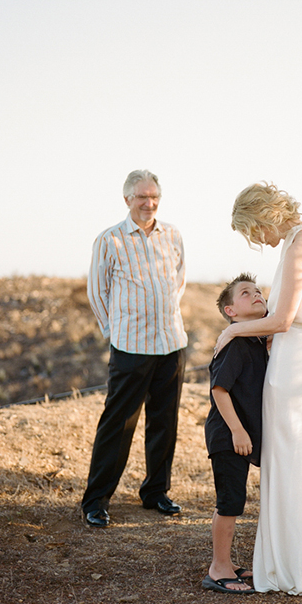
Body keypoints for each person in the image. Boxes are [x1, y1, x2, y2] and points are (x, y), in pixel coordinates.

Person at [214, 182, 302, 596]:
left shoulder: (300, 243)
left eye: (253, 230)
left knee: (293, 462)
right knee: (295, 460)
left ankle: (293, 565)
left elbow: (282, 319)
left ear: (265, 215)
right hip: (301, 357)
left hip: (297, 363)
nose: (258, 241)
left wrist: (235, 329)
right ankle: (293, 560)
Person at [81, 170, 187, 527]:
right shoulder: (109, 240)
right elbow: (97, 293)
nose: (149, 203)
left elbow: (179, 282)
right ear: (127, 199)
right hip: (131, 346)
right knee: (118, 424)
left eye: (154, 196)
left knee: (164, 421)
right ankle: (96, 500)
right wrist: (116, 331)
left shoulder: (172, 235)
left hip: (171, 343)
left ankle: (156, 492)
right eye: (141, 196)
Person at [202, 274, 269, 595]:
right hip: (227, 433)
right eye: (246, 293)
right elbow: (219, 389)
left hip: (238, 433)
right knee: (230, 501)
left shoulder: (258, 340)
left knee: (236, 500)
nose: (256, 295)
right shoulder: (235, 343)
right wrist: (238, 431)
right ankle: (219, 568)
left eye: (258, 291)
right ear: (231, 311)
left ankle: (228, 562)